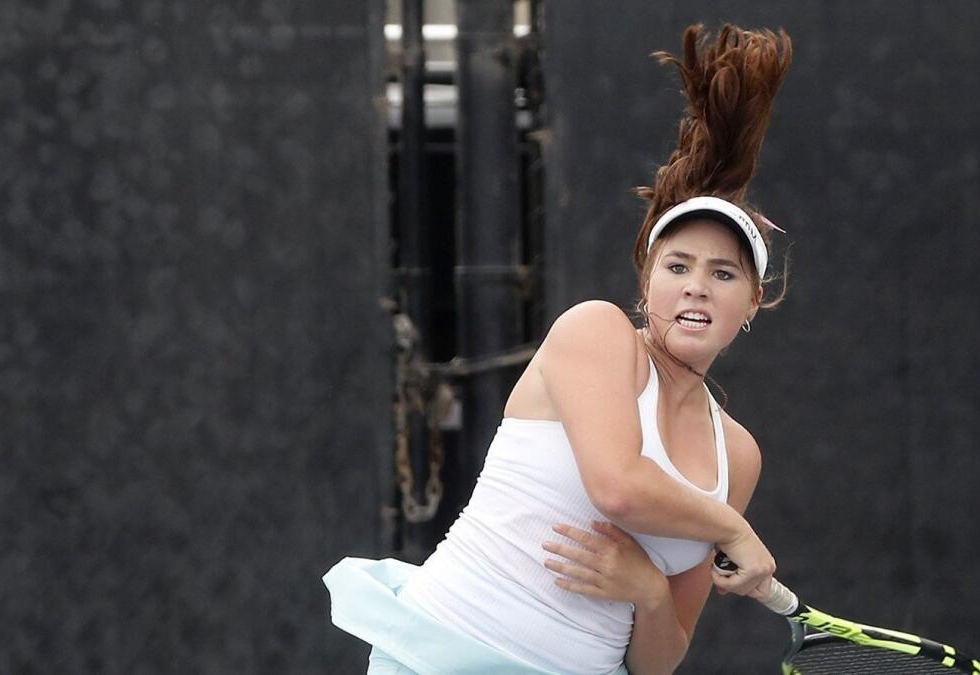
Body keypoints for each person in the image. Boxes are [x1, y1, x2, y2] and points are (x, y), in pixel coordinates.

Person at [324, 23, 793, 675]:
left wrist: (651, 592)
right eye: (678, 266)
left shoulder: (736, 456)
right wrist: (732, 530)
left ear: (752, 303)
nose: (697, 287)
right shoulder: (593, 331)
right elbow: (618, 487)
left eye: (723, 273)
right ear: (646, 283)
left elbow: (656, 662)